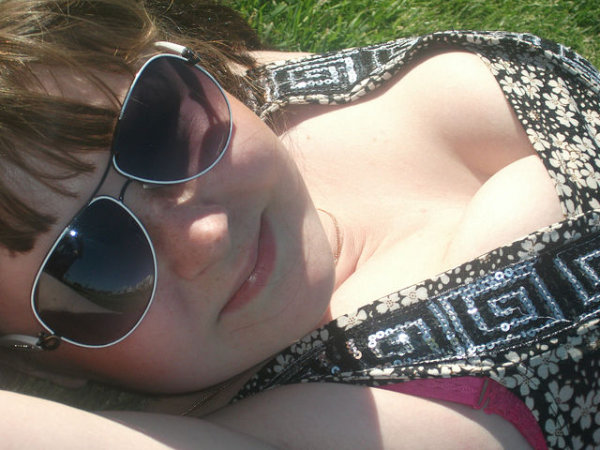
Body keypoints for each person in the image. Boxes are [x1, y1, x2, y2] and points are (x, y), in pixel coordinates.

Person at [0, 1, 598, 448]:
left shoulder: (249, 89)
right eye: (98, 264)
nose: (205, 237)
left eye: (159, 131)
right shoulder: (303, 427)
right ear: (33, 362)